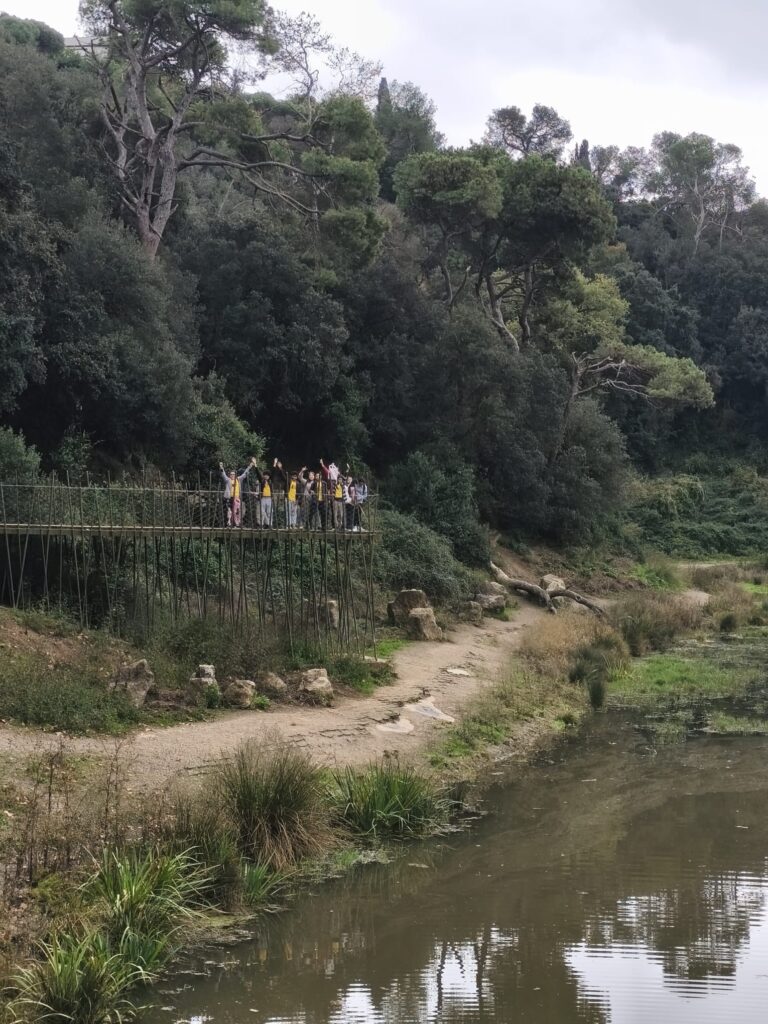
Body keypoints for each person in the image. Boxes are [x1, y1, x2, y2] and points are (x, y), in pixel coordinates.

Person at [219, 461, 251, 527]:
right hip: (229, 498)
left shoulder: (238, 479)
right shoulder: (228, 480)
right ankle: (229, 523)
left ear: (235, 475)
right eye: (231, 474)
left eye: (233, 474)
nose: (232, 475)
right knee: (229, 511)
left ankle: (236, 524)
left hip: (236, 498)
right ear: (229, 475)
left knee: (237, 511)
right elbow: (223, 474)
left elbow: (244, 474)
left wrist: (249, 467)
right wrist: (221, 467)